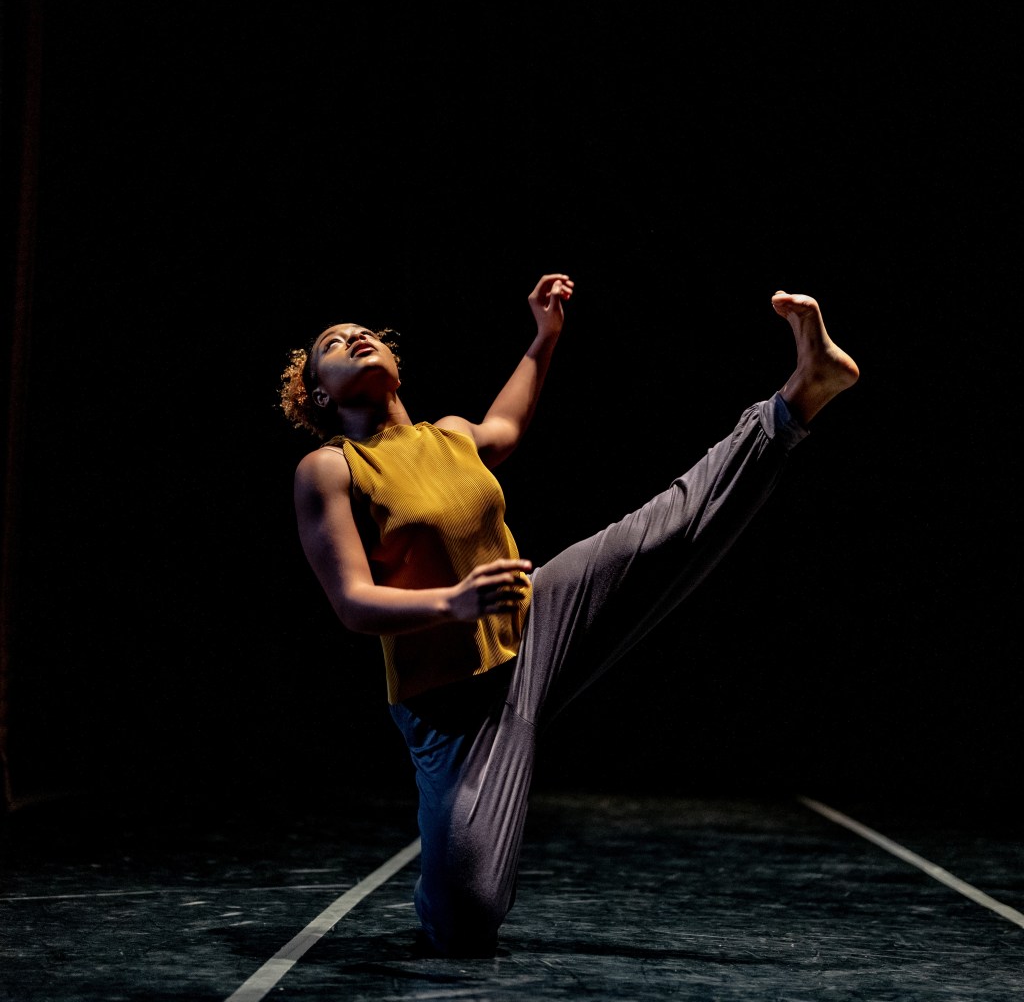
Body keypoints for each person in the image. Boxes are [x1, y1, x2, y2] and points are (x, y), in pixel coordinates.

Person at [279, 273, 859, 956]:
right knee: (466, 918)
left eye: (363, 331)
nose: (355, 337)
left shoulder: (452, 435)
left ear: (394, 365)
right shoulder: (330, 468)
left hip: (536, 622)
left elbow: (507, 426)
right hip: (454, 706)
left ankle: (800, 397)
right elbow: (351, 603)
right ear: (320, 394)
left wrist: (544, 336)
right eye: (334, 344)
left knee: (661, 531)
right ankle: (441, 903)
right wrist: (453, 602)